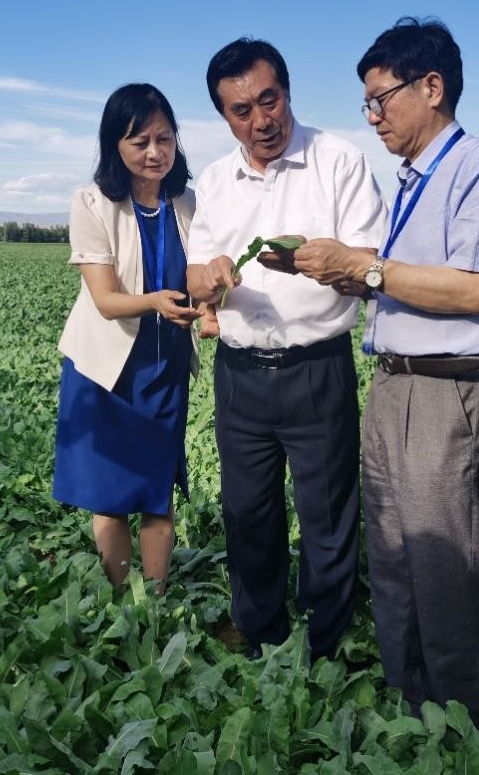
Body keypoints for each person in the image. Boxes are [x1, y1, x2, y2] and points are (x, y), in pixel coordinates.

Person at [292, 17, 479, 734]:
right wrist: (335, 268)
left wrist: (362, 267)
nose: (372, 117)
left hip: (449, 390)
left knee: (446, 568)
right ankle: (409, 708)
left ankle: (465, 729)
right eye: (365, 103)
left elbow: (471, 291)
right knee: (394, 554)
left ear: (432, 87)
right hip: (394, 382)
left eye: (381, 98)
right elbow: (399, 281)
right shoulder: (408, 181)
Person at [185, 38, 385, 662]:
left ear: (287, 92)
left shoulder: (339, 161)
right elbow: (192, 278)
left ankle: (326, 638)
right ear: (225, 117)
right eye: (241, 110)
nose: (260, 120)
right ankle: (259, 625)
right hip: (240, 371)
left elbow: (374, 266)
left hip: (316, 367)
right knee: (249, 512)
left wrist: (321, 265)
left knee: (328, 514)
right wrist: (213, 272)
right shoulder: (216, 181)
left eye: (268, 100)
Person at [53, 83, 199, 594]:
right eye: (140, 142)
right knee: (110, 496)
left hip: (165, 369)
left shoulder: (187, 203)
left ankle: (154, 601)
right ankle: (119, 597)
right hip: (105, 370)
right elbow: (106, 300)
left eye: (165, 138)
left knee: (158, 493)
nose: (155, 152)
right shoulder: (91, 203)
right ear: (115, 144)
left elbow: (199, 281)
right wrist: (158, 301)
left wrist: (206, 305)